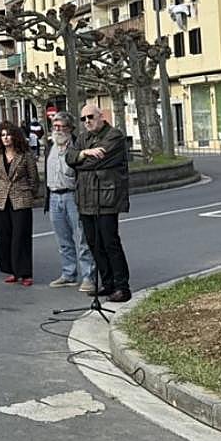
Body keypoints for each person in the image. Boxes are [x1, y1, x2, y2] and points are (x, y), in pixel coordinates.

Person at [67, 103, 131, 303]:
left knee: (110, 242)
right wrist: (84, 153)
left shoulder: (114, 136)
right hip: (86, 198)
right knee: (94, 244)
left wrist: (81, 160)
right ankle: (108, 282)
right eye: (83, 118)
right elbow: (69, 157)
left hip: (106, 198)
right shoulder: (83, 138)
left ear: (101, 116)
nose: (87, 121)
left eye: (90, 117)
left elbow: (99, 162)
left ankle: (122, 286)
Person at [45, 112, 96, 291]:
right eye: (55, 126)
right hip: (54, 196)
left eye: (62, 127)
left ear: (70, 128)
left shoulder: (77, 145)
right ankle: (68, 274)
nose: (58, 130)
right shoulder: (49, 146)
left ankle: (89, 276)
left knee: (82, 238)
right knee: (63, 239)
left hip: (73, 196)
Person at [0, 122, 39, 287]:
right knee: (4, 236)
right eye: (2, 135)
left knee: (21, 236)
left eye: (8, 135)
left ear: (15, 136)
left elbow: (34, 178)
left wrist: (29, 193)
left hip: (21, 199)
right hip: (2, 200)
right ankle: (11, 270)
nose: (5, 138)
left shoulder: (25, 154)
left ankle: (25, 272)